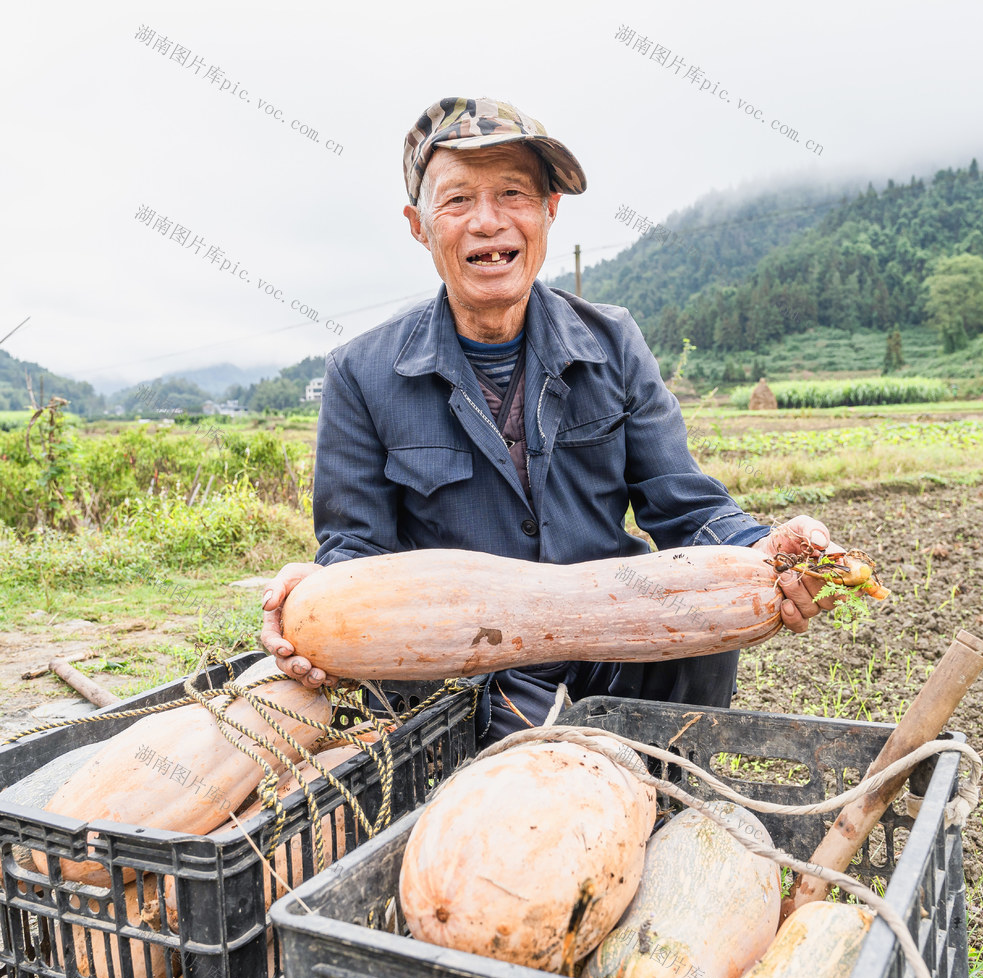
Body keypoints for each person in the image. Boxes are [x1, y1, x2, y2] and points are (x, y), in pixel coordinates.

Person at [259, 96, 838, 745]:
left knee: (699, 626)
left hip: (621, 658)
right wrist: (317, 600)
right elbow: (356, 555)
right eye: (456, 201)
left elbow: (683, 505)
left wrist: (763, 550)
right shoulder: (359, 374)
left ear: (549, 211)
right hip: (466, 677)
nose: (487, 222)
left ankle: (673, 786)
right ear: (418, 225)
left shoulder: (613, 343)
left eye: (513, 193)